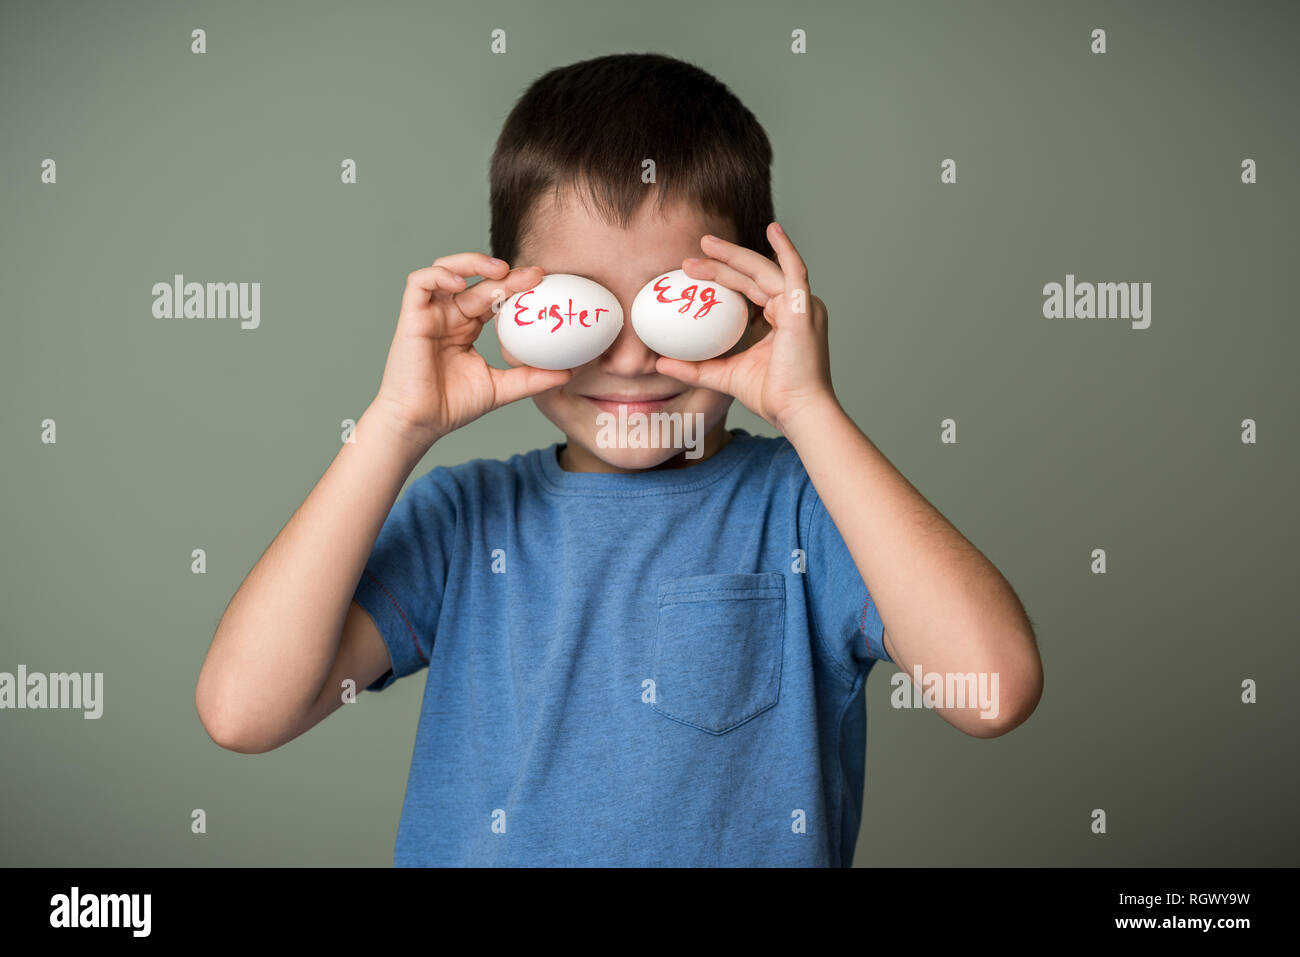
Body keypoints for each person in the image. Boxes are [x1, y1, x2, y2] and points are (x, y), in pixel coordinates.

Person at [195, 52, 1043, 866]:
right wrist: (393, 425)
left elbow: (994, 689)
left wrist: (810, 409)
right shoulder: (465, 522)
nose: (632, 357)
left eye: (679, 305)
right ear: (505, 302)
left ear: (753, 308)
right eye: (583, 307)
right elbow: (243, 711)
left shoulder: (807, 511)